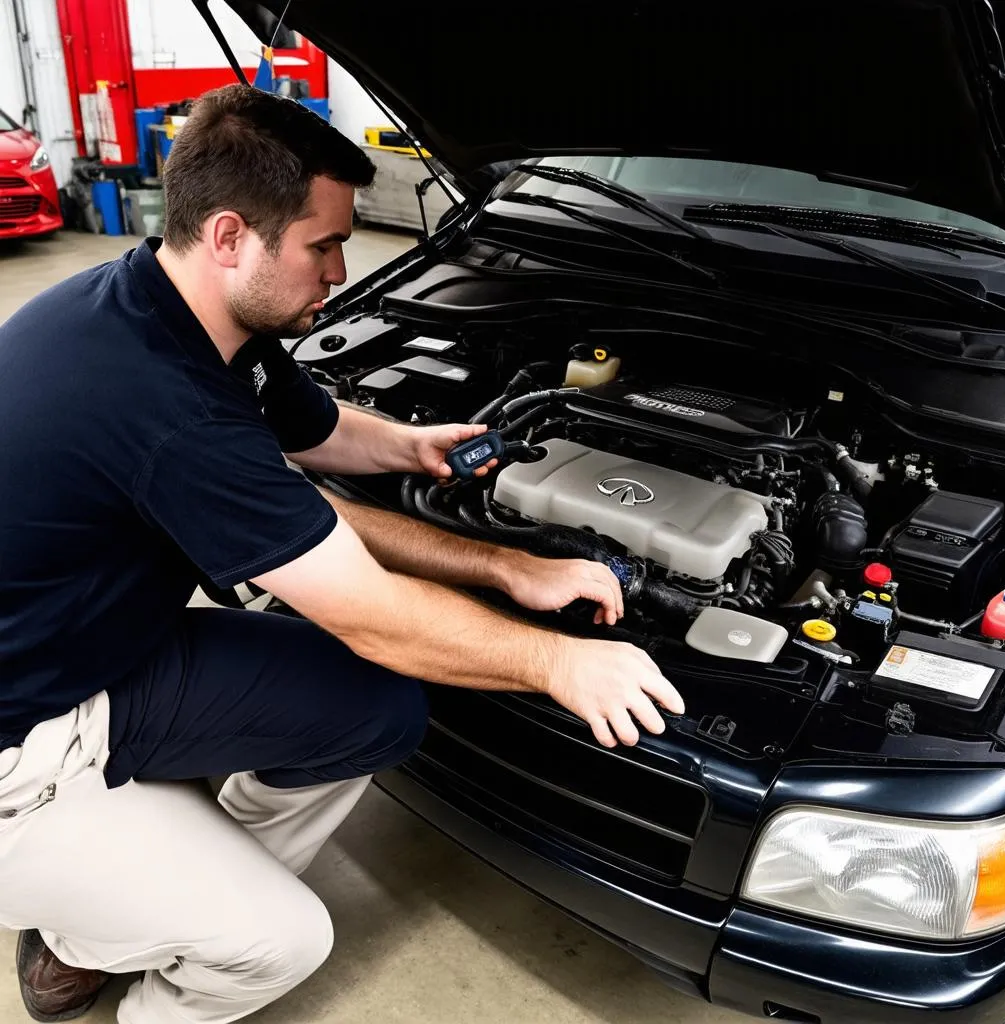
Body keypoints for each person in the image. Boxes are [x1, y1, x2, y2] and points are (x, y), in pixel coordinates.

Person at [0, 83, 685, 1024]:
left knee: (373, 710)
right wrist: (558, 658)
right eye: (324, 244)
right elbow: (370, 611)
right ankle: (114, 946)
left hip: (100, 653)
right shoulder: (163, 403)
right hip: (24, 745)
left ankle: (167, 889)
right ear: (234, 234)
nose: (341, 268)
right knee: (284, 942)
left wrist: (416, 450)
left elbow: (313, 439)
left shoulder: (180, 308)